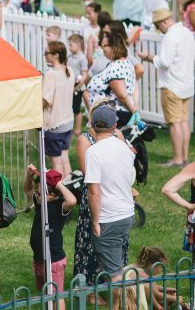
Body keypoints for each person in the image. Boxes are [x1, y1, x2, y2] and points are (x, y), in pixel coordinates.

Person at [85, 103, 135, 283]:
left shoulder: (93, 152)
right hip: (127, 213)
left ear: (92, 125)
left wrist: (95, 221)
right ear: (114, 126)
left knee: (115, 274)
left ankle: (125, 303)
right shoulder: (125, 148)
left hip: (108, 217)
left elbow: (93, 192)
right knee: (118, 266)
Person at [139, 8, 195, 167]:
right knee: (183, 120)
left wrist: (148, 57)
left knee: (174, 123)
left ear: (164, 22)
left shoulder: (171, 36)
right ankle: (184, 157)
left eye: (158, 26)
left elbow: (164, 62)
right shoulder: (187, 32)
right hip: (187, 83)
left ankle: (177, 159)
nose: (159, 30)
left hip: (172, 84)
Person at [24, 167, 77, 309]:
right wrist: (29, 177)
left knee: (56, 295)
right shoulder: (41, 202)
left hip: (54, 260)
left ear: (51, 193)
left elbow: (72, 201)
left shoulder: (59, 205)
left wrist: (59, 183)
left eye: (40, 188)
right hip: (40, 258)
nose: (36, 191)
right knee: (45, 293)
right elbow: (27, 191)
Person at [86, 31, 138, 127]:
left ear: (113, 47)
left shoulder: (115, 68)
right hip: (112, 114)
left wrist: (134, 110)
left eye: (104, 46)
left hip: (112, 116)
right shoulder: (126, 63)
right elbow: (134, 86)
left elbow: (122, 95)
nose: (102, 49)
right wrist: (135, 106)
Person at [43, 41, 74, 177]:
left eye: (47, 53)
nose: (45, 56)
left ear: (55, 55)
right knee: (64, 159)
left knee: (56, 163)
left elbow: (45, 100)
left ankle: (60, 192)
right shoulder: (69, 71)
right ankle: (71, 188)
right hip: (68, 121)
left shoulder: (51, 75)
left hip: (54, 124)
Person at [67, 34, 89, 138]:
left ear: (78, 45)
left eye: (71, 45)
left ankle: (77, 129)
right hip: (69, 86)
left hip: (77, 88)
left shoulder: (82, 58)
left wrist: (76, 86)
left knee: (76, 109)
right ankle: (69, 127)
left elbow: (84, 75)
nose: (69, 47)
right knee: (69, 108)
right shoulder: (70, 57)